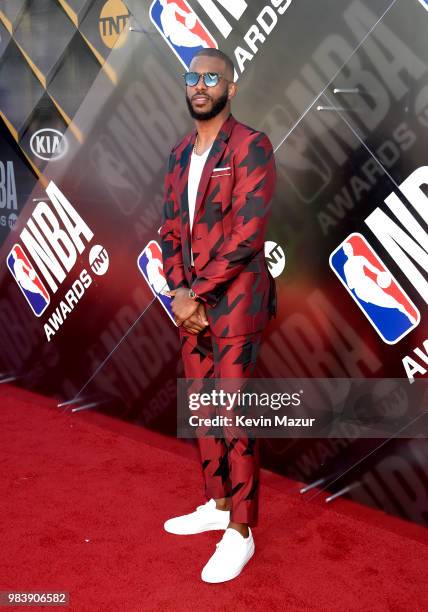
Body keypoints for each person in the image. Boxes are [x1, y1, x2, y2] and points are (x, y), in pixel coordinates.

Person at [159, 48, 277, 583]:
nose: (200, 85)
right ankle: (218, 503)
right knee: (201, 408)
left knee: (233, 414)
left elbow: (246, 234)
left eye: (212, 77)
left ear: (231, 87)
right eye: (193, 77)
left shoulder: (252, 146)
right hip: (192, 304)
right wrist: (179, 291)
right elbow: (169, 231)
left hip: (235, 303)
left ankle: (242, 532)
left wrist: (199, 297)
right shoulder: (179, 153)